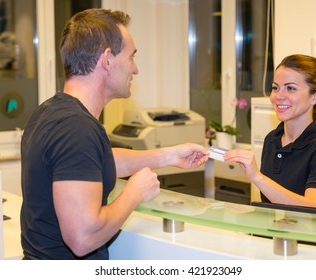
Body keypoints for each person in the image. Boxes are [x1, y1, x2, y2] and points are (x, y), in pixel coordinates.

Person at [20, 8, 208, 260]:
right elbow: (82, 239)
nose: (136, 69)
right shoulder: (76, 128)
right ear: (107, 60)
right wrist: (134, 193)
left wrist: (168, 156)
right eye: (131, 57)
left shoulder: (52, 112)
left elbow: (96, 162)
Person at [224, 54, 316, 210]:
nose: (279, 96)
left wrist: (257, 178)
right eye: (275, 87)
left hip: (309, 235)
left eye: (291, 88)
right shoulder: (272, 140)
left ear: (315, 97)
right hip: (276, 234)